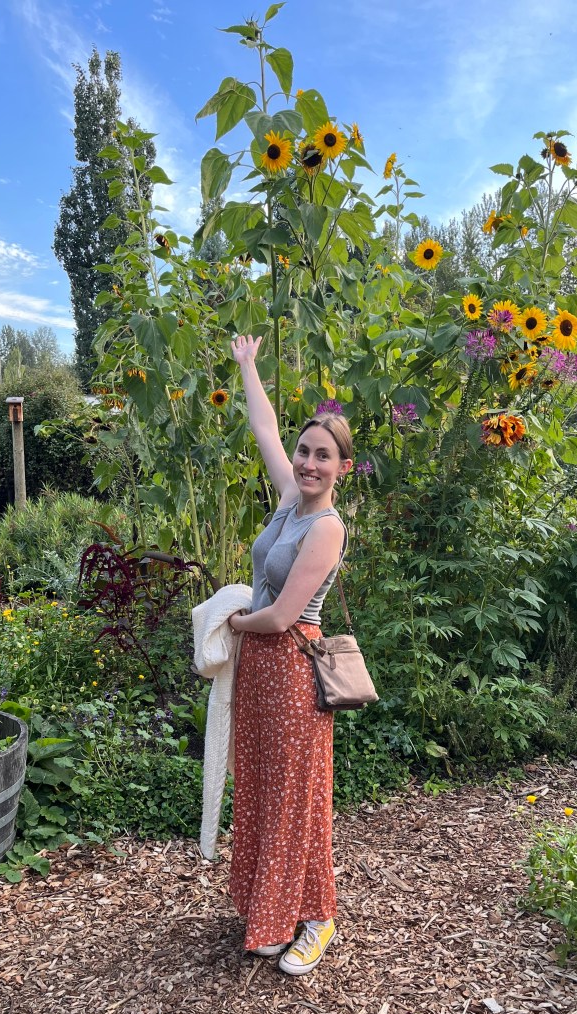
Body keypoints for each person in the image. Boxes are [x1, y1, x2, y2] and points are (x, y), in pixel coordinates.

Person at [227, 333, 353, 976]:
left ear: (341, 467)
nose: (306, 462)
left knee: (296, 795)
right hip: (259, 672)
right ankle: (270, 909)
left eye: (321, 456)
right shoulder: (287, 499)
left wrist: (232, 620)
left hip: (293, 667)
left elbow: (280, 616)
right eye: (305, 452)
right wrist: (248, 366)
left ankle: (317, 916)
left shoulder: (327, 528)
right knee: (261, 787)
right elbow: (265, 428)